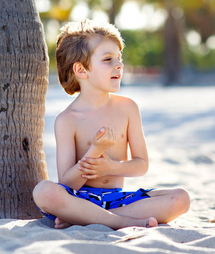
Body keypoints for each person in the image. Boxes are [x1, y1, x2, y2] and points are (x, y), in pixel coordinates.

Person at [33, 19, 190, 230]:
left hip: (118, 199)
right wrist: (96, 150)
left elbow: (141, 164)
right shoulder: (67, 119)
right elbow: (67, 184)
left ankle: (84, 218)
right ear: (81, 70)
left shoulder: (128, 108)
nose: (119, 65)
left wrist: (112, 167)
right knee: (43, 191)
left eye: (119, 58)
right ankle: (117, 221)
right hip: (80, 199)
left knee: (181, 198)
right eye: (108, 59)